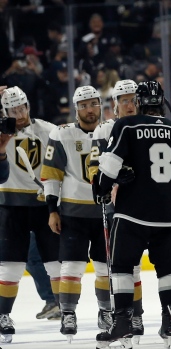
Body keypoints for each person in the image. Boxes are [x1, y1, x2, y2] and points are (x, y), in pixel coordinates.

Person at [93, 81, 171, 347]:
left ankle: (123, 321)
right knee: (169, 271)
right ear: (162, 103)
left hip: (132, 215)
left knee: (123, 268)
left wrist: (101, 188)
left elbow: (110, 167)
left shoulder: (125, 125)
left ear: (138, 103)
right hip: (169, 216)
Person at [40, 85, 108, 342]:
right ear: (75, 108)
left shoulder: (111, 131)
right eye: (83, 105)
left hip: (104, 211)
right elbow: (51, 175)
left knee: (105, 267)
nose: (89, 110)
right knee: (71, 265)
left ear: (100, 105)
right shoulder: (62, 133)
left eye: (93, 104)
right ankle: (68, 313)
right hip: (72, 212)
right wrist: (51, 210)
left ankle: (106, 311)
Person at [88, 79, 146, 340]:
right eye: (124, 100)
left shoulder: (147, 126)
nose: (130, 104)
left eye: (133, 99)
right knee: (117, 264)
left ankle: (136, 314)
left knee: (133, 266)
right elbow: (93, 165)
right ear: (115, 104)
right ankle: (114, 312)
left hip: (144, 205)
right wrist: (104, 182)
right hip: (116, 206)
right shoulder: (103, 129)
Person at [0, 86, 58, 344]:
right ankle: (3, 315)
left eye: (22, 107)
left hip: (43, 205)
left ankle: (65, 310)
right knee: (11, 266)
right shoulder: (2, 132)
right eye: (13, 109)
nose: (20, 113)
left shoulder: (48, 129)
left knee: (56, 263)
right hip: (11, 205)